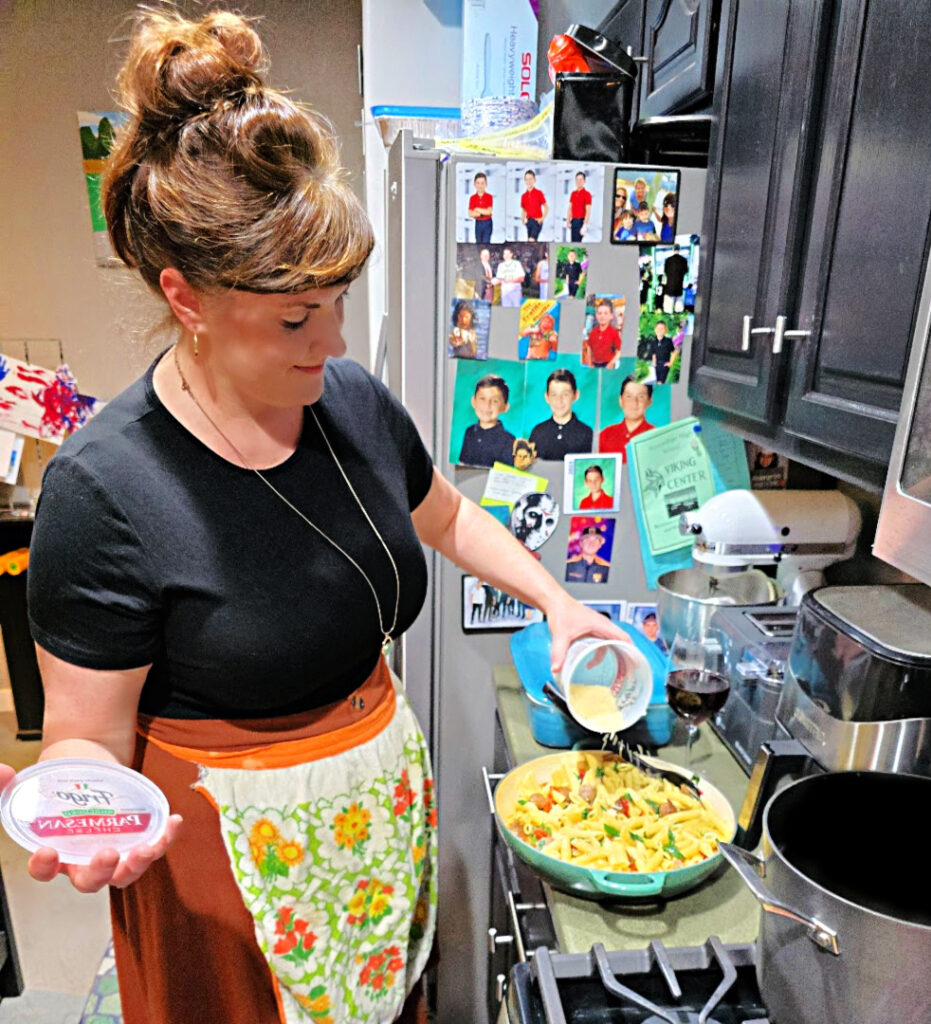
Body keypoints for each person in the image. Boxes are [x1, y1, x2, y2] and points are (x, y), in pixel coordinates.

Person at [12, 14, 630, 1024]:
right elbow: (85, 735)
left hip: (375, 824)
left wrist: (556, 601)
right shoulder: (105, 488)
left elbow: (444, 517)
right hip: (224, 863)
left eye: (339, 301)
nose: (333, 342)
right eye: (297, 317)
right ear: (187, 298)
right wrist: (84, 810)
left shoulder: (350, 400)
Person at [528, 368, 593, 461]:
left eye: (565, 394)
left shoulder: (586, 433)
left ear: (576, 395)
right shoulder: (538, 432)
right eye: (554, 395)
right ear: (547, 397)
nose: (559, 400)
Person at [458, 373, 516, 467]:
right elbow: (462, 464)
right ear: (473, 401)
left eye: (495, 401)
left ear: (505, 407)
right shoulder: (469, 432)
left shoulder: (509, 441)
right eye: (482, 399)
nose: (487, 405)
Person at [599, 377, 657, 462]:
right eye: (629, 396)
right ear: (620, 400)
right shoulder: (605, 436)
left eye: (641, 397)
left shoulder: (656, 436)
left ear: (649, 401)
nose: (634, 402)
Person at [582, 298, 622, 369]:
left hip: (608, 365)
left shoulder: (614, 333)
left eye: (605, 313)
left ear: (611, 316)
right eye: (599, 313)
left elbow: (618, 352)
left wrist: (611, 363)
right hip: (595, 365)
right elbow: (589, 347)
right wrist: (590, 362)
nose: (602, 316)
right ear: (596, 315)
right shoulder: (593, 332)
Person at [520, 169, 548, 240]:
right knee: (530, 241)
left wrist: (542, 218)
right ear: (524, 181)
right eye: (526, 179)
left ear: (534, 180)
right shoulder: (524, 196)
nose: (528, 181)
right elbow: (523, 209)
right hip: (529, 222)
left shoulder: (539, 193)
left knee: (531, 240)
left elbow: (546, 207)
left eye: (530, 179)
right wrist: (522, 220)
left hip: (537, 222)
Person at [565, 170, 592, 242]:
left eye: (580, 180)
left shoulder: (587, 194)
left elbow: (588, 211)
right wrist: (568, 220)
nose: (578, 182)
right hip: (573, 221)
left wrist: (585, 225)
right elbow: (570, 208)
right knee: (572, 241)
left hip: (581, 222)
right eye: (577, 180)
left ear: (584, 181)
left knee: (577, 242)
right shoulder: (573, 193)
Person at [468, 171, 494, 244]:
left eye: (482, 183)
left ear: (486, 184)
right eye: (478, 183)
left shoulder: (489, 197)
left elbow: (489, 212)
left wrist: (477, 209)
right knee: (478, 242)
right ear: (474, 184)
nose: (480, 185)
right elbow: (470, 213)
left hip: (487, 223)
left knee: (486, 242)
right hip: (478, 223)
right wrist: (482, 213)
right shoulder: (472, 198)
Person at [663, 244, 689, 313]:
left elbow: (665, 271)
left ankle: (669, 314)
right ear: (679, 249)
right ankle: (678, 313)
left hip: (669, 286)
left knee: (668, 309)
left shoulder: (668, 260)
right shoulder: (684, 260)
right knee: (679, 308)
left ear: (673, 249)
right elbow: (686, 271)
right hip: (679, 285)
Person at [650, 320, 678, 384]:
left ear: (665, 330)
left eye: (662, 328)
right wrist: (654, 362)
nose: (659, 330)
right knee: (658, 381)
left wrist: (670, 363)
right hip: (657, 365)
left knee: (661, 382)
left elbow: (674, 352)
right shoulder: (654, 342)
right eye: (658, 328)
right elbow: (653, 353)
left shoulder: (668, 341)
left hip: (665, 365)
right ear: (655, 329)